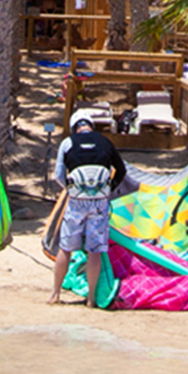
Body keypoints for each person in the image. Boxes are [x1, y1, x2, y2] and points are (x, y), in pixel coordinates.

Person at [48, 110, 128, 308]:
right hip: (99, 202)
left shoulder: (68, 143)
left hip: (77, 201)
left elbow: (58, 175)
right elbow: (121, 170)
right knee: (94, 251)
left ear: (74, 127)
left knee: (66, 248)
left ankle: (55, 294)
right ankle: (91, 299)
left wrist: (70, 189)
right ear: (91, 125)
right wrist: (108, 189)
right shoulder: (105, 142)